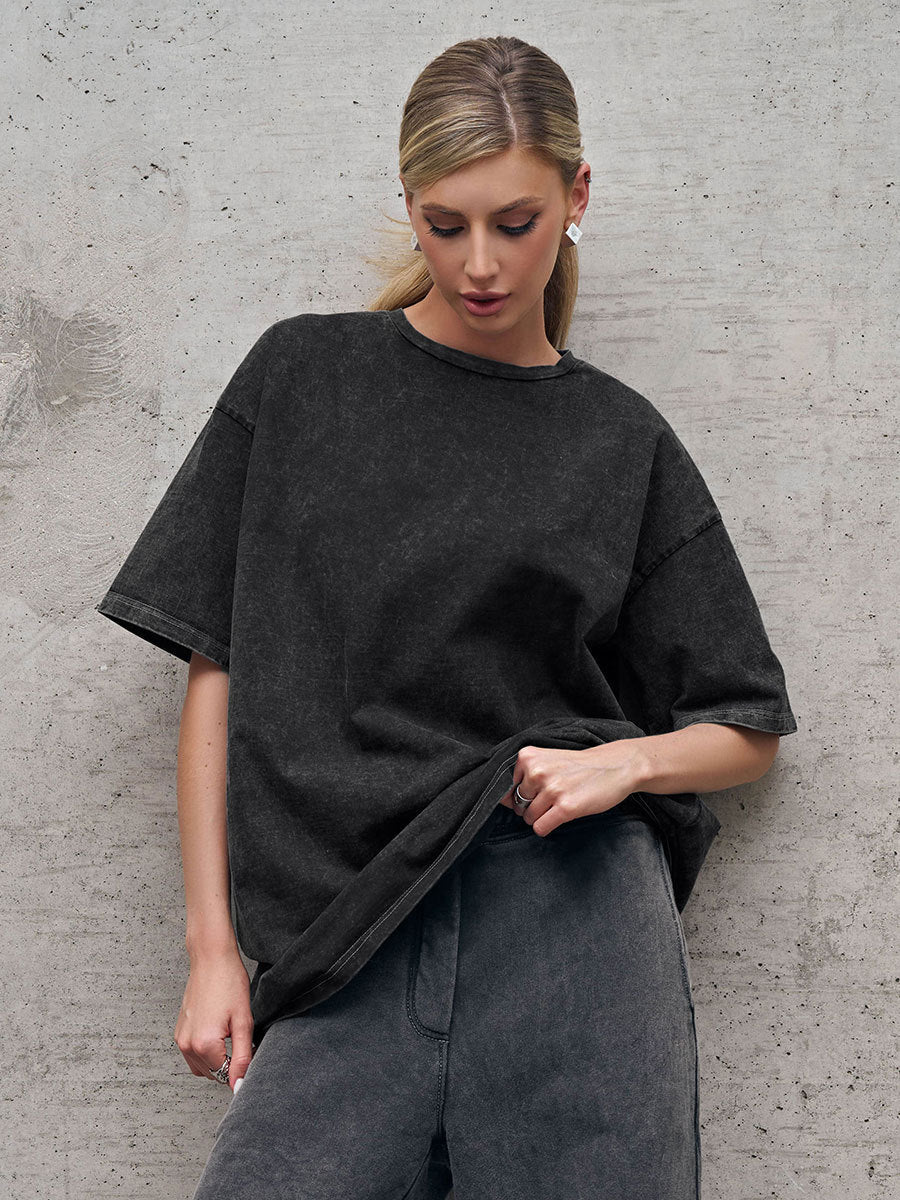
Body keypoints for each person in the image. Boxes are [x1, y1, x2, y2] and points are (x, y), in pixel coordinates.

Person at [95, 34, 798, 1200]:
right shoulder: (301, 379)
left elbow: (748, 726)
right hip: (345, 931)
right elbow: (218, 665)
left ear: (577, 198)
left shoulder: (619, 440)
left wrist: (623, 763)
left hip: (574, 923)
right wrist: (212, 949)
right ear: (408, 201)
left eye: (516, 224)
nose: (480, 263)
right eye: (445, 222)